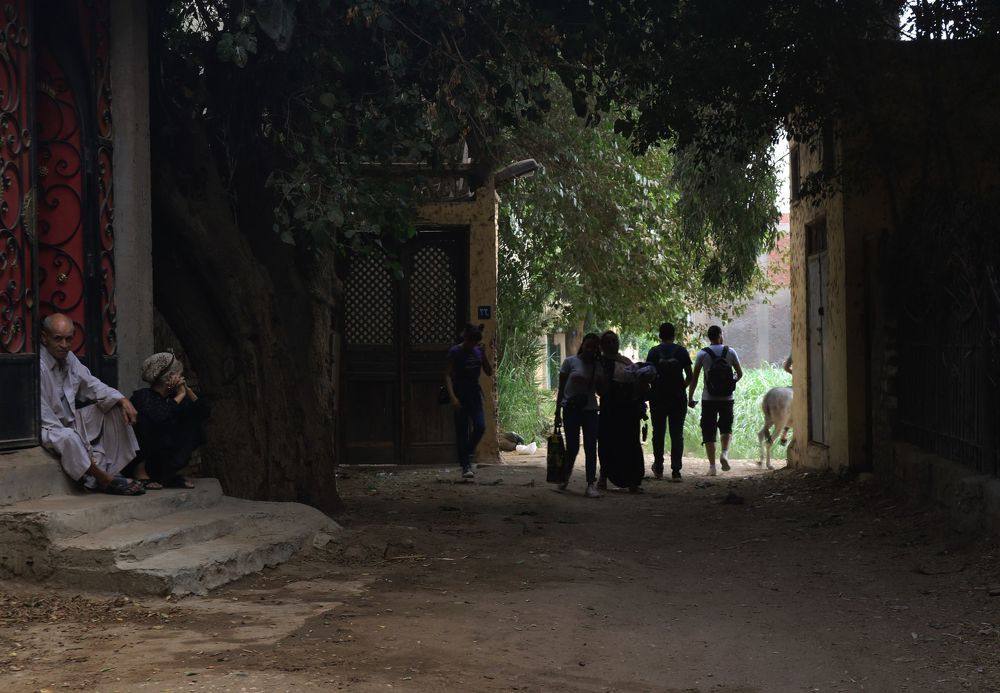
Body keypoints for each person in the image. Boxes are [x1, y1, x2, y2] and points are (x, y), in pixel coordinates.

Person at [38, 313, 143, 495]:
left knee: (114, 407)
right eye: (58, 339)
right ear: (44, 338)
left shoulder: (69, 358)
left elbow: (91, 384)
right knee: (68, 437)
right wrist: (80, 443)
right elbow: (47, 418)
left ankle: (111, 471)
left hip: (70, 422)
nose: (64, 345)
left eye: (68, 339)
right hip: (49, 428)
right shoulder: (39, 366)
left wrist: (122, 400)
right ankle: (104, 479)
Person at [129, 352, 208, 489]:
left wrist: (187, 390)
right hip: (147, 457)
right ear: (171, 376)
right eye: (179, 374)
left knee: (191, 418)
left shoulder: (176, 396)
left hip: (166, 458)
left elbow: (204, 412)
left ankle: (168, 476)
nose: (182, 377)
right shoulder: (143, 396)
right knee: (148, 421)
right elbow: (160, 416)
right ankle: (140, 474)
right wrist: (180, 395)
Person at [688, 325, 743, 476]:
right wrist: (732, 381)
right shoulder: (730, 352)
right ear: (720, 335)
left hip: (709, 399)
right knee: (726, 427)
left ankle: (712, 467)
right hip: (727, 398)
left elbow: (694, 378)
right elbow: (739, 373)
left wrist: (690, 397)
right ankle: (724, 453)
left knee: (709, 430)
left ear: (709, 337)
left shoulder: (702, 354)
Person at [554, 333, 603, 498]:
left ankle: (590, 484)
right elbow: (561, 389)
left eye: (594, 347)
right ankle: (565, 477)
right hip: (571, 410)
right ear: (583, 345)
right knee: (572, 447)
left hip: (590, 410)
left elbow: (601, 391)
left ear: (597, 349)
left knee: (591, 447)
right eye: (588, 345)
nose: (590, 349)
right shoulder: (570, 362)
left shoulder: (598, 366)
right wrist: (557, 412)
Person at [596, 330, 646, 493]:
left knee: (630, 444)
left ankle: (633, 481)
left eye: (614, 341)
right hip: (609, 408)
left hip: (628, 409)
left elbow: (636, 382)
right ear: (602, 345)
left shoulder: (625, 361)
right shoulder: (599, 363)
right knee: (606, 443)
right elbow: (599, 388)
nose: (611, 344)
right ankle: (603, 476)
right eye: (608, 341)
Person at [645, 322, 693, 481]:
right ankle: (676, 471)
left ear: (660, 335)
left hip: (657, 398)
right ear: (674, 335)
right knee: (677, 434)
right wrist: (680, 388)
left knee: (658, 432)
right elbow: (690, 376)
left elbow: (648, 375)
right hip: (677, 399)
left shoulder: (653, 352)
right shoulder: (681, 351)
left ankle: (658, 467)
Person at [445, 324, 494, 479]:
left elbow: (489, 372)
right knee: (462, 431)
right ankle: (466, 466)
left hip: (475, 394)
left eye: (475, 343)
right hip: (460, 394)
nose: (472, 345)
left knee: (480, 426)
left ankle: (465, 453)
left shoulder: (478, 351)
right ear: (465, 338)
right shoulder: (455, 351)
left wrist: (484, 354)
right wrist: (453, 397)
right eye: (470, 342)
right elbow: (447, 375)